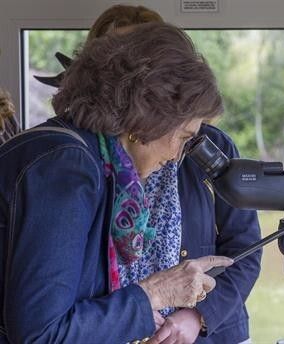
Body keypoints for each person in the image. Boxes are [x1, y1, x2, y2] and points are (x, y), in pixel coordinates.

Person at [0, 21, 260, 343]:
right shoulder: (67, 166)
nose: (178, 154)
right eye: (183, 136)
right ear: (149, 116)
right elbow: (43, 334)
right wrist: (154, 294)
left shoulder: (82, 155)